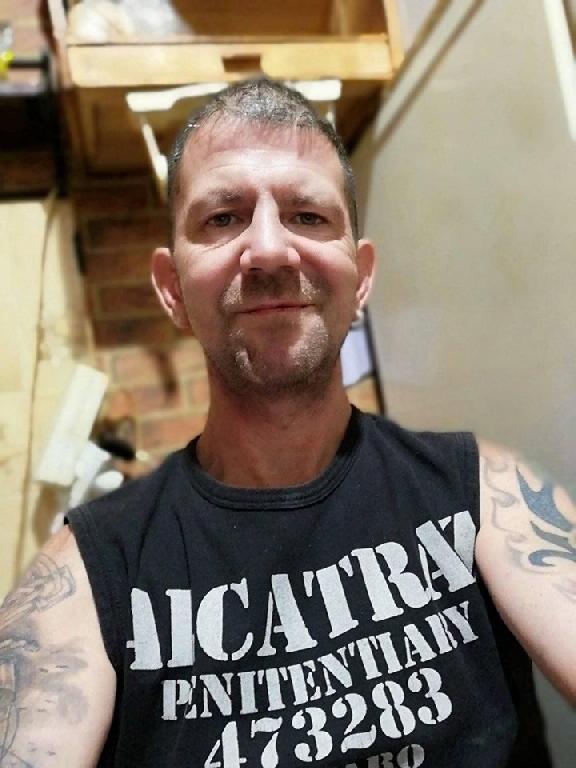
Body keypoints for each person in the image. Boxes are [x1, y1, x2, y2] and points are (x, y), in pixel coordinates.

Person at [1, 78, 574, 768]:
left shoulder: (488, 492)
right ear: (172, 288)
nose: (270, 250)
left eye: (308, 215)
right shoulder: (88, 574)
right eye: (223, 218)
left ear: (361, 277)